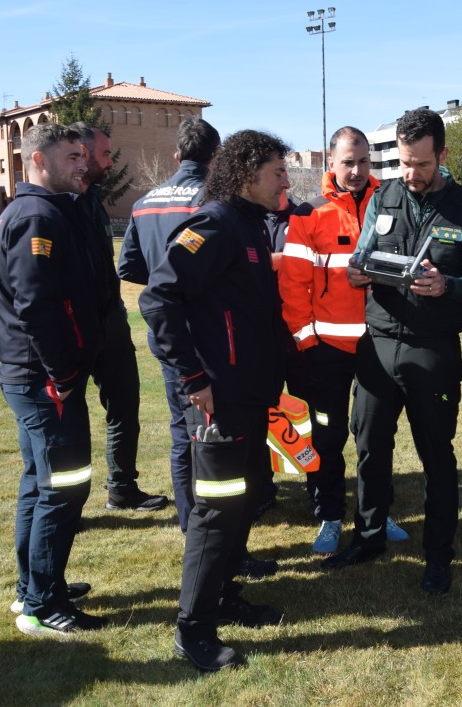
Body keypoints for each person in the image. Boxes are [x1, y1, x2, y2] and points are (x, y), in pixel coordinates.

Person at [139, 130, 292, 672]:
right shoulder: (215, 223)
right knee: (215, 511)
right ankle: (193, 631)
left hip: (250, 394)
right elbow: (158, 298)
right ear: (248, 173)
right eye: (277, 170)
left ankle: (226, 596)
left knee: (245, 500)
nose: (286, 180)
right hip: (216, 398)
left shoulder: (251, 223)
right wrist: (192, 376)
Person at [322, 108, 462, 595]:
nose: (411, 174)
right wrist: (357, 272)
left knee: (436, 456)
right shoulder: (385, 197)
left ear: (442, 154)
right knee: (371, 448)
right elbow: (363, 254)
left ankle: (438, 555)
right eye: (404, 162)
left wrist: (448, 284)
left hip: (431, 351)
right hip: (377, 345)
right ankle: (369, 537)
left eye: (420, 163)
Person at [0, 122, 108, 636]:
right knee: (63, 487)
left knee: (40, 485)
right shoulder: (38, 215)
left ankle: (35, 585)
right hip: (43, 379)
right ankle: (42, 601)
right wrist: (61, 373)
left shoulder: (37, 211)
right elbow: (36, 305)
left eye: (84, 155)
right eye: (72, 157)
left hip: (31, 375)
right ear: (38, 161)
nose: (83, 164)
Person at [280, 126, 410, 554]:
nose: (356, 170)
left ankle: (378, 511)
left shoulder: (391, 203)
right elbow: (294, 285)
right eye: (347, 162)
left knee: (377, 436)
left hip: (380, 345)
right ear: (330, 164)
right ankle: (329, 516)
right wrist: (306, 341)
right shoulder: (308, 213)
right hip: (326, 352)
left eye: (363, 162)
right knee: (327, 438)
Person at [118, 116, 220, 532]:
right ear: (216, 157)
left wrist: (163, 282)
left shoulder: (144, 203)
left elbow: (127, 266)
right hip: (209, 329)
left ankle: (188, 521)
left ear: (177, 156)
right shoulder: (215, 200)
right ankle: (210, 523)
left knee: (183, 427)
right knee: (214, 432)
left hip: (165, 332)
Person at [72, 122, 168, 513]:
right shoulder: (54, 205)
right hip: (77, 326)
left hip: (110, 321)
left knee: (125, 407)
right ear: (81, 153)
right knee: (70, 424)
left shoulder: (92, 197)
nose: (111, 162)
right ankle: (64, 508)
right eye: (105, 154)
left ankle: (122, 488)